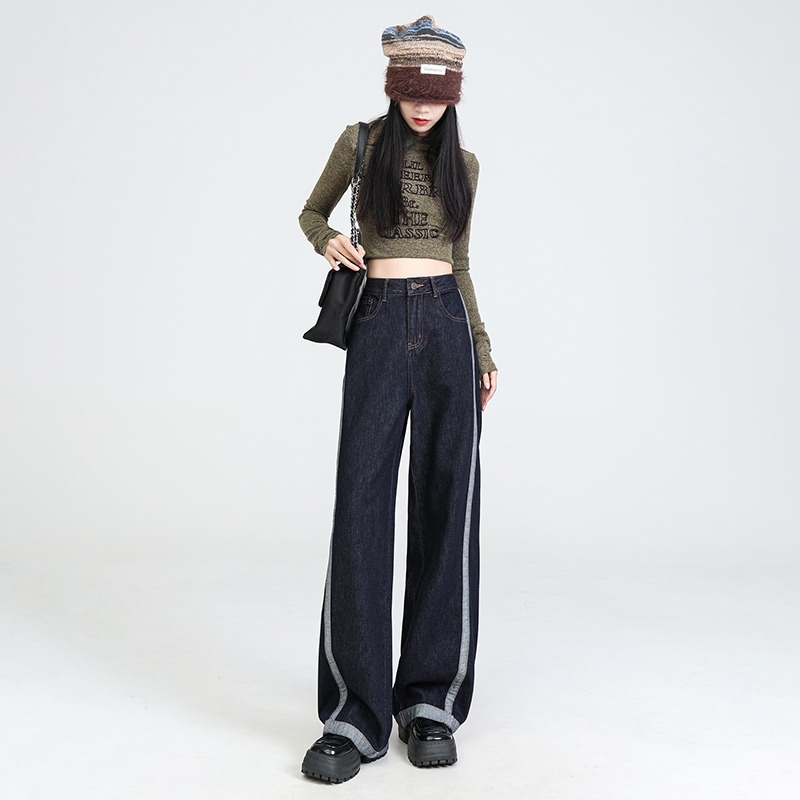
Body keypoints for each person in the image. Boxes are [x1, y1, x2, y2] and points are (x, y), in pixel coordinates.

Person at [297, 16, 498, 784]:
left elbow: (462, 262)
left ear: (454, 95)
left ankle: (430, 703)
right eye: (411, 90)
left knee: (448, 506)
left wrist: (482, 349)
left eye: (436, 94)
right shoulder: (360, 144)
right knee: (361, 505)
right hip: (378, 326)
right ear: (393, 84)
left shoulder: (465, 165)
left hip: (447, 326)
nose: (422, 105)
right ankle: (354, 713)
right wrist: (326, 241)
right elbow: (311, 212)